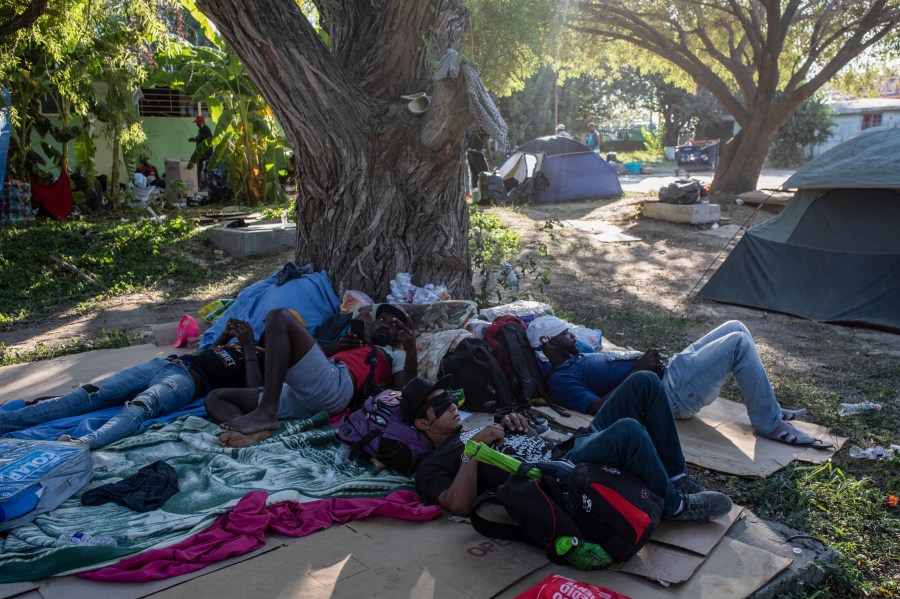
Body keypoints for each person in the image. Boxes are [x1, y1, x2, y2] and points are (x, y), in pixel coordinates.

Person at [409, 372, 732, 522]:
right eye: (440, 405)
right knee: (628, 431)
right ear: (422, 424)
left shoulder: (476, 426)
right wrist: (472, 452)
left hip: (568, 447)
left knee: (643, 381)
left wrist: (514, 424)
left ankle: (675, 478)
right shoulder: (434, 463)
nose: (452, 405)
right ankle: (675, 506)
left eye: (452, 398)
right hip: (558, 475)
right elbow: (458, 505)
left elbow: (517, 437)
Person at [527, 317, 823, 448]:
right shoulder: (561, 379)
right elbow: (598, 409)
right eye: (566, 334)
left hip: (670, 372)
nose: (573, 337)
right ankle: (769, 423)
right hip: (668, 393)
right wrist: (638, 370)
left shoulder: (576, 358)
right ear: (548, 343)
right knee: (737, 343)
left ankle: (767, 405)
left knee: (735, 326)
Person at [0, 319, 262, 450]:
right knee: (86, 394)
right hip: (168, 363)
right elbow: (207, 355)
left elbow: (252, 391)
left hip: (185, 381)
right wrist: (228, 335)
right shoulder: (243, 342)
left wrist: (249, 347)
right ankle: (6, 422)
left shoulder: (263, 358)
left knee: (139, 406)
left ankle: (80, 445)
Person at [207, 304, 418, 447]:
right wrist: (336, 347)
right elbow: (301, 359)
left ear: (401, 335)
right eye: (381, 319)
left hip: (335, 388)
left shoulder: (395, 353)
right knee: (216, 398)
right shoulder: (357, 345)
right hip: (303, 392)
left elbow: (401, 392)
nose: (385, 324)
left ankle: (266, 411)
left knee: (279, 316)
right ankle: (247, 433)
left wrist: (410, 350)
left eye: (394, 324)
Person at [188, 115, 213, 188]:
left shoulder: (206, 129)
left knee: (205, 170)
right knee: (199, 169)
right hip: (201, 153)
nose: (196, 124)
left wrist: (194, 139)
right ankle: (198, 185)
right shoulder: (201, 130)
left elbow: (205, 140)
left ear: (201, 122)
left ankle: (206, 186)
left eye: (197, 123)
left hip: (206, 154)